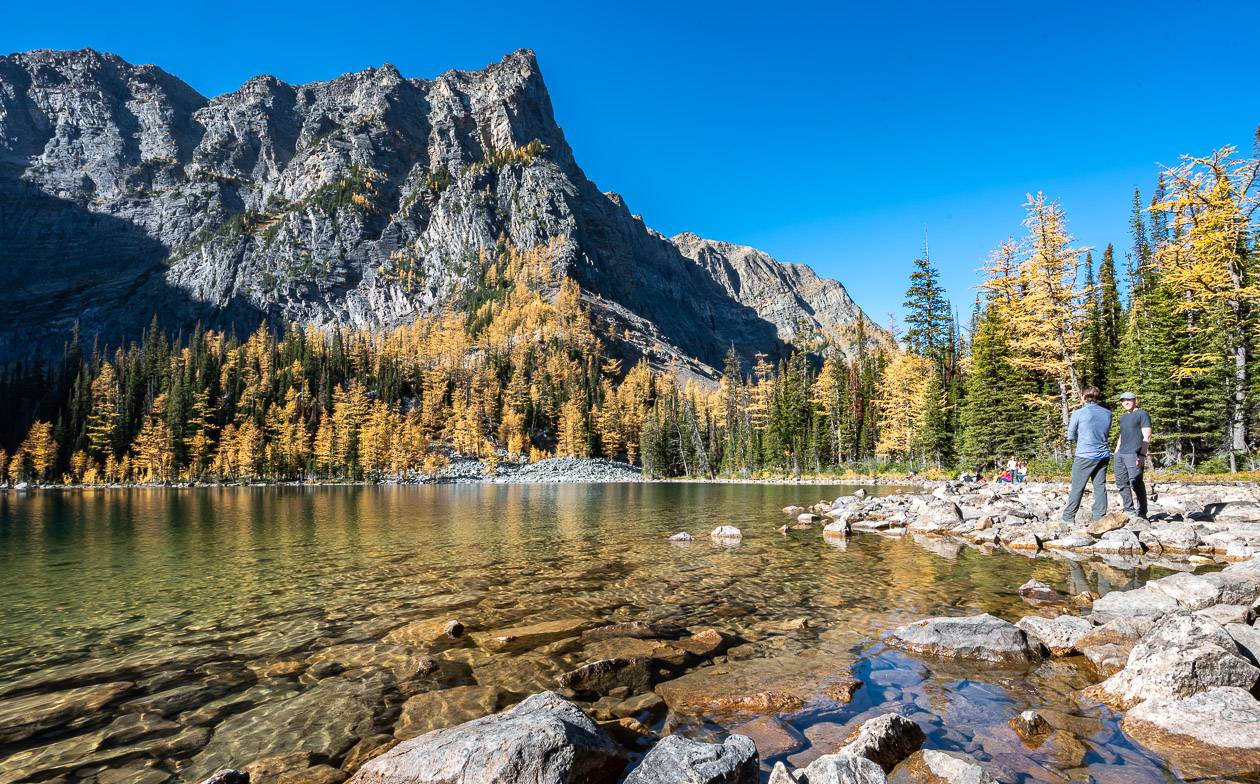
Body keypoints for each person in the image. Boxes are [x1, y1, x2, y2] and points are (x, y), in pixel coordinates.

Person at [1061, 385, 1112, 523]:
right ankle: (1099, 517)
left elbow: (1070, 434)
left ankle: (1068, 517)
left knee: (1077, 487)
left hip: (1085, 455)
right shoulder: (1108, 413)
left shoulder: (1079, 413)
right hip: (1103, 454)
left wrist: (1081, 440)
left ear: (1083, 397)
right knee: (1100, 486)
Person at [1113, 391, 1152, 519]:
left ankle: (1142, 512)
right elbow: (1122, 435)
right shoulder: (1123, 417)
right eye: (1123, 400)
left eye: (1129, 399)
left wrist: (1142, 455)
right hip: (1121, 454)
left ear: (1135, 400)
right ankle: (1128, 509)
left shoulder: (1142, 414)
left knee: (1136, 482)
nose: (1126, 402)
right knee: (1121, 482)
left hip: (1134, 453)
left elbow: (1147, 436)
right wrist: (1117, 450)